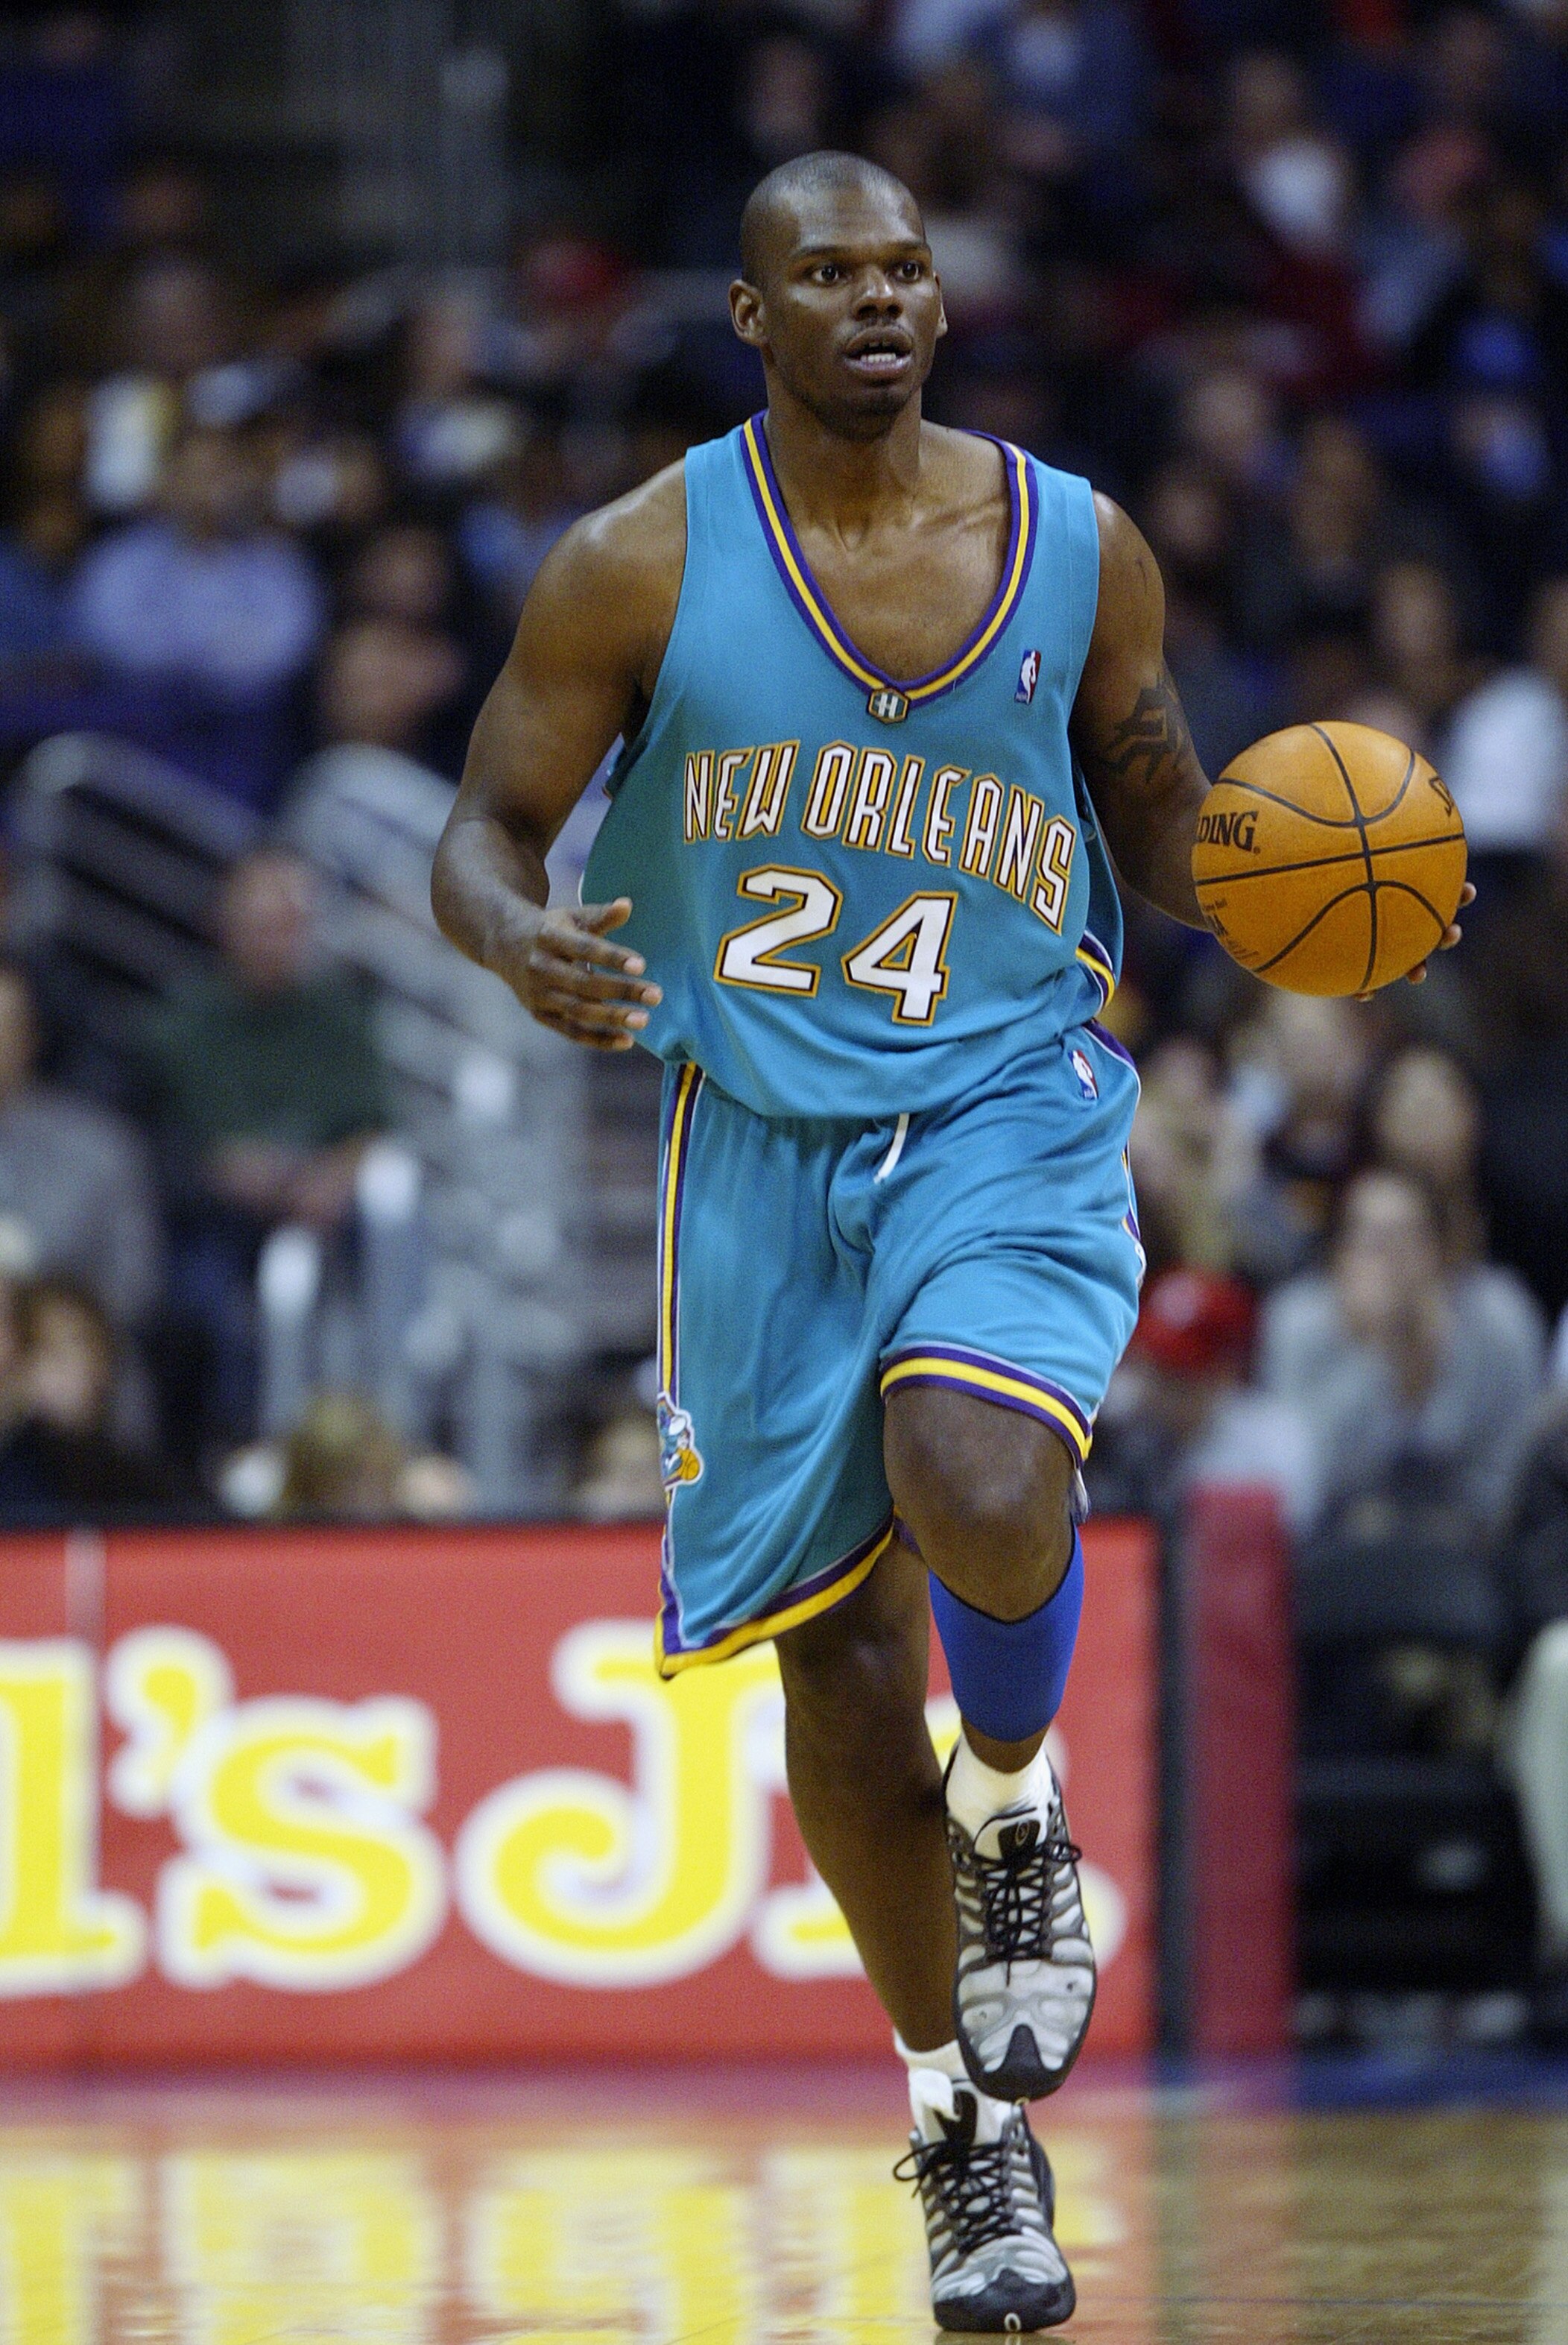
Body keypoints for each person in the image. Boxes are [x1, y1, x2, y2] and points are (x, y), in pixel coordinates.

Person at [430, 153, 1463, 2335]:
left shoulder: (1077, 545)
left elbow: (1163, 813)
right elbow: (482, 825)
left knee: (980, 1475)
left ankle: (1021, 1807)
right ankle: (962, 2134)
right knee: (835, 1663)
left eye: (908, 266)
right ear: (752, 313)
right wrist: (522, 937)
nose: (882, 300)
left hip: (1008, 1094)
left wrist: (1289, 883)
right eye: (834, 274)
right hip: (758, 1148)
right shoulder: (637, 560)